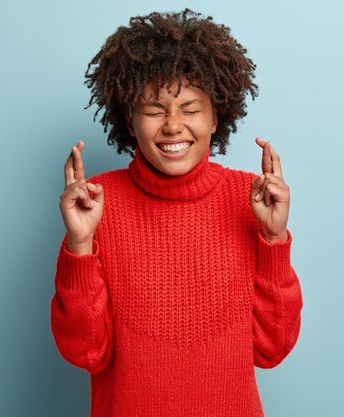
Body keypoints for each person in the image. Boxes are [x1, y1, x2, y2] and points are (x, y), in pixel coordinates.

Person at [51, 8, 303, 417]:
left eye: (189, 108)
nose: (172, 125)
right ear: (130, 122)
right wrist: (80, 244)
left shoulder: (250, 199)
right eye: (153, 111)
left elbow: (272, 349)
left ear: (216, 115)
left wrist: (274, 241)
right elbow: (85, 352)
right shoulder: (97, 204)